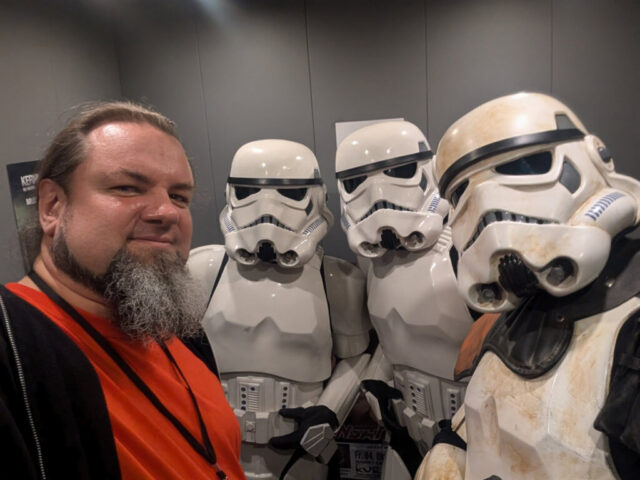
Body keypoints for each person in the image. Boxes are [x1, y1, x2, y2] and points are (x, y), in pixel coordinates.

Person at [0, 101, 245, 479]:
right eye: (128, 188)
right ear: (52, 207)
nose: (167, 212)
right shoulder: (13, 348)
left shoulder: (175, 328)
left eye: (179, 196)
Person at [417, 92, 640, 479]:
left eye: (524, 166)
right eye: (462, 192)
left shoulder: (629, 323)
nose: (487, 206)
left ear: (593, 159)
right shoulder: (509, 316)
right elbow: (482, 421)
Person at [188, 139, 372, 480]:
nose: (267, 209)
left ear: (317, 198)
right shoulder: (204, 269)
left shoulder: (337, 279)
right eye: (249, 192)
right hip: (217, 445)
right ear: (231, 195)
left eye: (289, 193)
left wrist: (329, 412)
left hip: (300, 450)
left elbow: (357, 357)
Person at [334, 120, 474, 479]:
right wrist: (376, 381)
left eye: (399, 172)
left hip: (474, 442)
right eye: (357, 182)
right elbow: (393, 336)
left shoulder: (467, 251)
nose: (378, 193)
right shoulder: (373, 265)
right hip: (405, 436)